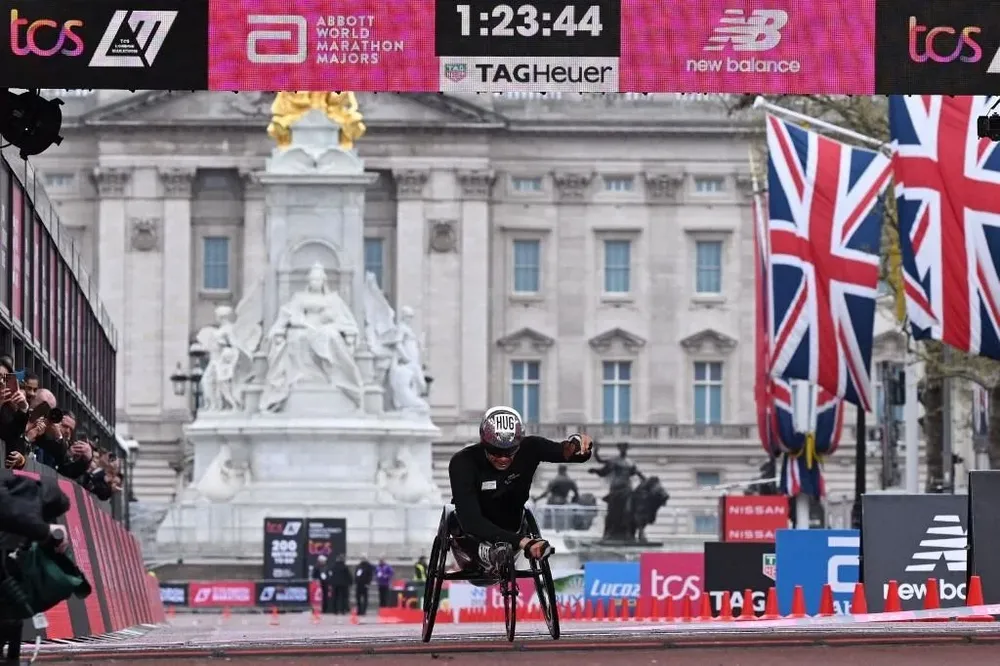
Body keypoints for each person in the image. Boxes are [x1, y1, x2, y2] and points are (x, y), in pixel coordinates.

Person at [447, 405, 593, 581]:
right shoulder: (463, 461)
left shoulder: (530, 447)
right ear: (483, 443)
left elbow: (565, 452)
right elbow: (471, 520)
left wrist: (579, 445)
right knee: (455, 518)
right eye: (495, 452)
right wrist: (522, 541)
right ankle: (490, 553)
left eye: (510, 452)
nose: (503, 459)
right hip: (472, 532)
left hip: (512, 521)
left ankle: (498, 552)